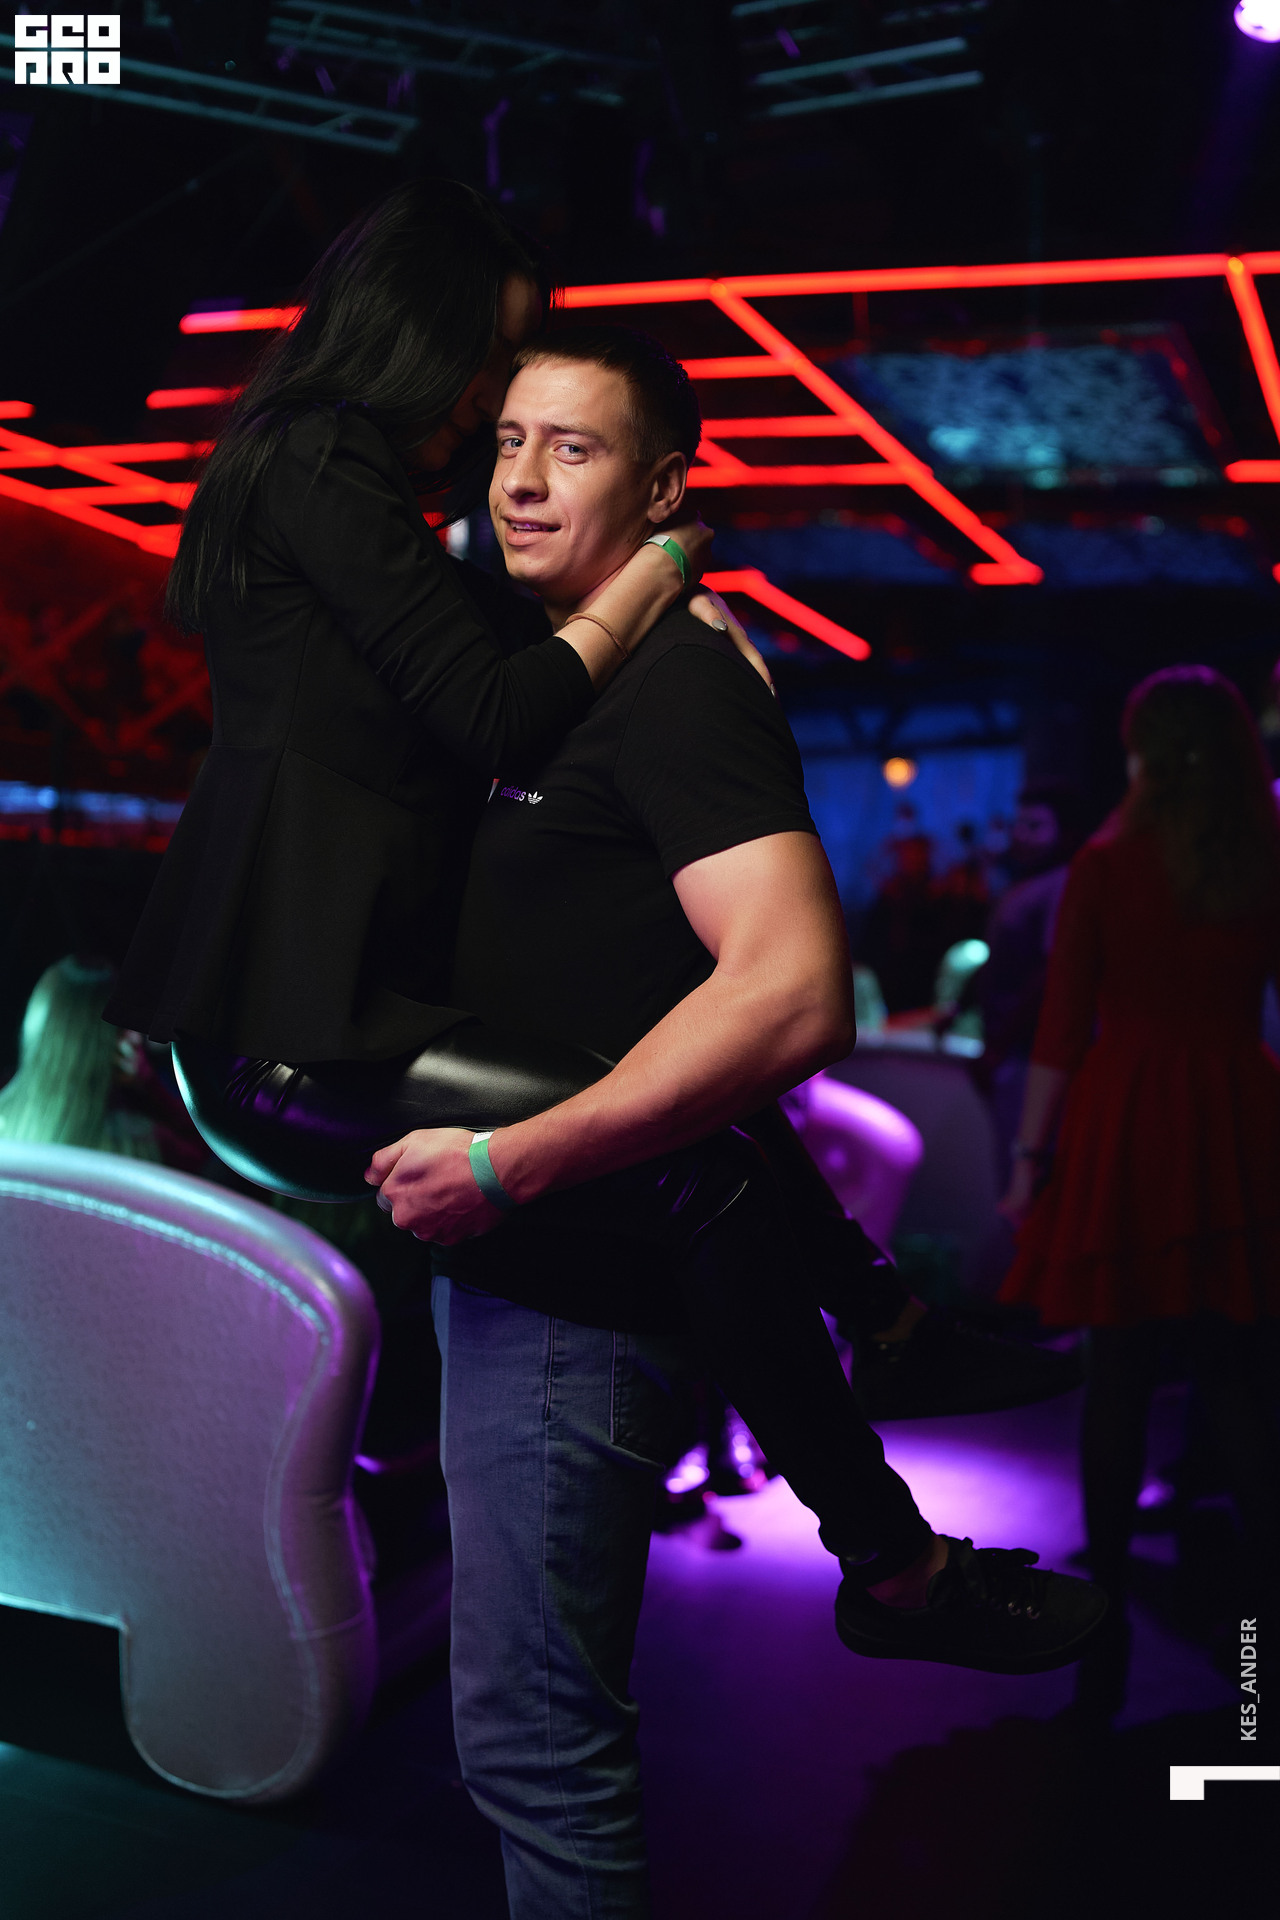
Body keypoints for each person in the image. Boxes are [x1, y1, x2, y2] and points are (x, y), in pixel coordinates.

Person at [364, 327, 1106, 1915]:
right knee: (529, 1743)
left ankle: (896, 1494)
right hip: (536, 1260)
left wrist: (506, 1164)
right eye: (508, 441)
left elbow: (793, 998)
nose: (521, 479)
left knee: (535, 1748)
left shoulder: (677, 687)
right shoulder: (534, 671)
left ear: (660, 488)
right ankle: (892, 1421)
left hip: (572, 1283)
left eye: (573, 447)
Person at [1000, 667, 1280, 1717]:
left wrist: (1026, 1165)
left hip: (1127, 1122)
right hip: (1237, 1118)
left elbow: (1061, 1030)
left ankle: (1100, 1636)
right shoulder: (1262, 859)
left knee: (1113, 1381)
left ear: (1142, 754)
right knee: (1235, 1382)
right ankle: (1263, 1647)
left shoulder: (1106, 865)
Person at [1, 955, 202, 1169]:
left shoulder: (5, 1116)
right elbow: (206, 1151)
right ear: (97, 1041)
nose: (136, 1037)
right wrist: (152, 1087)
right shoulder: (142, 1144)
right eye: (123, 1026)